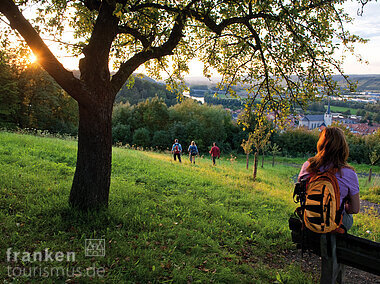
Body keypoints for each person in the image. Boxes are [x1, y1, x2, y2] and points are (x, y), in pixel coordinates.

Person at [298, 127, 360, 232]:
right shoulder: (349, 174)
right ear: (343, 148)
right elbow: (354, 209)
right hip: (334, 223)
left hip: (309, 217)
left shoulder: (307, 166)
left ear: (320, 145)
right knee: (348, 217)